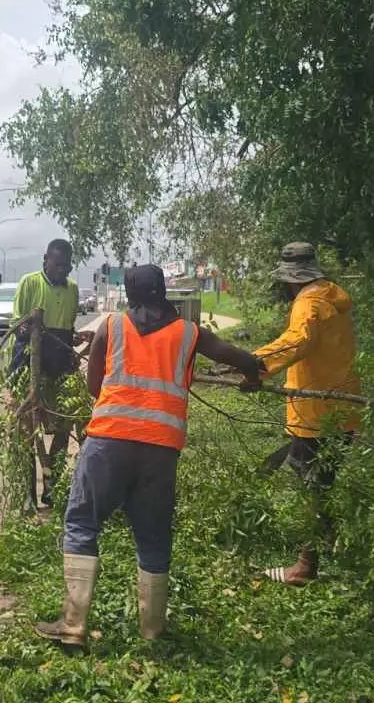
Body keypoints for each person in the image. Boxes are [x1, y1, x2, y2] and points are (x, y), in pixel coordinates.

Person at [35, 264, 263, 647]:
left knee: (82, 522)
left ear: (131, 295)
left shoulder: (112, 327)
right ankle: (153, 631)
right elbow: (238, 357)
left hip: (109, 441)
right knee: (153, 536)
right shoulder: (190, 333)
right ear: (164, 292)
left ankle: (73, 625)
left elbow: (94, 388)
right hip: (161, 449)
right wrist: (252, 377)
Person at [247, 242, 361, 586]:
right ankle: (329, 545)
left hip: (315, 412)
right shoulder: (334, 298)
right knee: (324, 481)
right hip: (343, 407)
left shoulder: (308, 303)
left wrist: (253, 365)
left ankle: (305, 567)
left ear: (291, 279)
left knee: (310, 486)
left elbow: (297, 341)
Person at [10, 238, 91, 506]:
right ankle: (27, 494)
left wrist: (73, 339)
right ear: (46, 259)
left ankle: (51, 484)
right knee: (26, 432)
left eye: (67, 266)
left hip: (60, 368)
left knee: (63, 425)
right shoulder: (30, 283)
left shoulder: (72, 289)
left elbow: (67, 327)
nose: (62, 270)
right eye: (57, 264)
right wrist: (32, 330)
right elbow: (17, 324)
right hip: (29, 368)